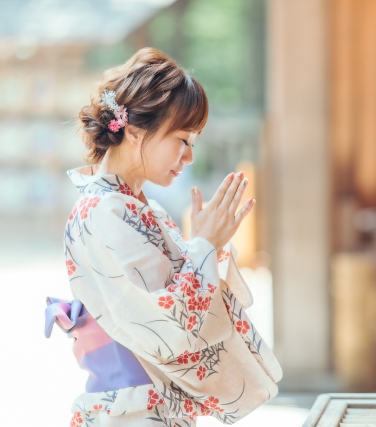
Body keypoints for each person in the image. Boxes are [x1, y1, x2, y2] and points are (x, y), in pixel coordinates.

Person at [44, 48, 282, 427]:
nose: (188, 157)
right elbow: (169, 331)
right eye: (182, 139)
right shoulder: (105, 211)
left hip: (151, 407)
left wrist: (211, 245)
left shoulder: (136, 208)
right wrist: (204, 246)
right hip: (134, 411)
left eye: (193, 142)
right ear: (136, 132)